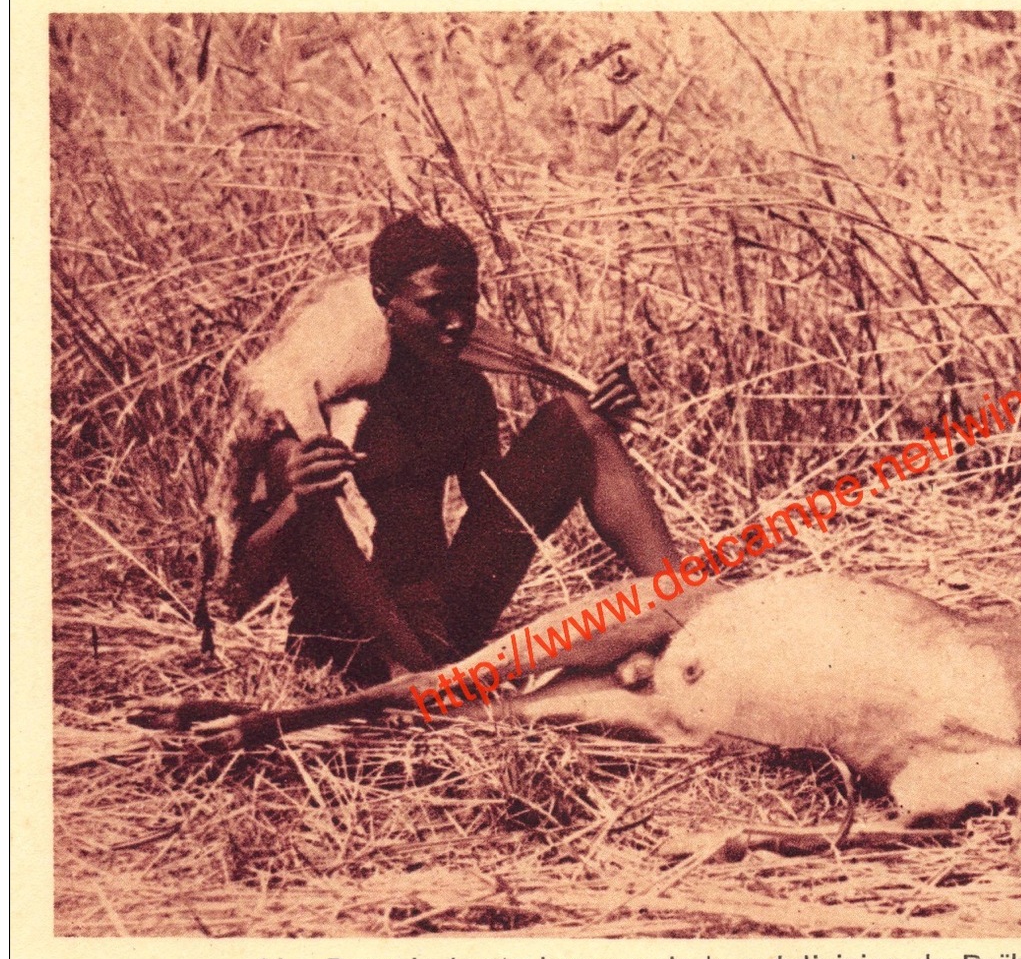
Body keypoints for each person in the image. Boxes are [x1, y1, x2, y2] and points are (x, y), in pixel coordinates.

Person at [228, 215, 683, 685]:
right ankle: (416, 679)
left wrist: (600, 418)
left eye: (468, 302)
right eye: (435, 305)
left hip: (445, 621)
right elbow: (240, 585)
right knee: (313, 485)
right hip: (352, 644)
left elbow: (498, 514)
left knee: (576, 419)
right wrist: (295, 504)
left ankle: (686, 608)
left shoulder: (463, 393)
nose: (458, 322)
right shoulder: (314, 415)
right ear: (385, 299)